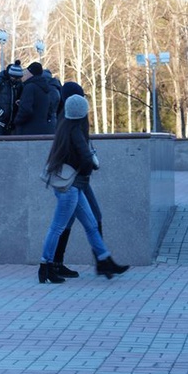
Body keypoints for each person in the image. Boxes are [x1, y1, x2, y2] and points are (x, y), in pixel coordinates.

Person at [38, 94, 129, 283]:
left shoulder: (64, 127)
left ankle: (105, 259)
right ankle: (45, 266)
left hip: (72, 187)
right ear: (82, 113)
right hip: (70, 189)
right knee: (57, 227)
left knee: (91, 225)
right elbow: (87, 158)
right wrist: (91, 167)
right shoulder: (76, 131)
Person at [50, 81, 103, 278]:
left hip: (77, 179)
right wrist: (88, 162)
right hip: (74, 179)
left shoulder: (70, 116)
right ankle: (53, 263)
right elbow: (77, 148)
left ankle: (100, 261)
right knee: (73, 222)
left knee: (75, 221)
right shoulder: (69, 119)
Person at [13, 61, 54, 135]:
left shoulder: (30, 87)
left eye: (26, 72)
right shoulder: (45, 88)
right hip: (42, 130)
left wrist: (16, 121)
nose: (24, 75)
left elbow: (26, 109)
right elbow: (49, 109)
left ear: (30, 73)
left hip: (27, 130)